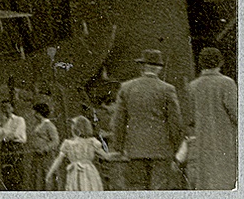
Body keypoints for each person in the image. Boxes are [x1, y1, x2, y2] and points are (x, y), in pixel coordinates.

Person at [110, 48, 184, 189]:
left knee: (137, 187)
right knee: (159, 188)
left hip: (134, 149)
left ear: (142, 67)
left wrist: (118, 147)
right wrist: (176, 147)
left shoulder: (126, 88)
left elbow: (118, 121)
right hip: (162, 150)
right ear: (158, 69)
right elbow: (175, 122)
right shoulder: (168, 89)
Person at [185, 45, 237, 190]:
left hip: (202, 142)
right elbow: (236, 114)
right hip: (225, 141)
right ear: (220, 62)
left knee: (205, 182)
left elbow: (190, 118)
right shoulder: (227, 83)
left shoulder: (192, 86)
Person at [46, 114, 107, 190]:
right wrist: (50, 173)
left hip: (88, 173)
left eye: (73, 125)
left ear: (78, 128)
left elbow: (105, 155)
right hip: (75, 173)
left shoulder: (92, 142)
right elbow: (59, 159)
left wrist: (50, 173)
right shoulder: (68, 143)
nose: (72, 128)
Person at [25, 101, 59, 191]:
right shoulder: (38, 125)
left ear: (39, 113)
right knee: (37, 178)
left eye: (35, 112)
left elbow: (55, 141)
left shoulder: (49, 125)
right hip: (37, 156)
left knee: (46, 177)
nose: (34, 114)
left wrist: (44, 149)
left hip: (46, 157)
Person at [0, 97, 27, 189]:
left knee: (16, 173)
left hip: (16, 147)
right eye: (3, 108)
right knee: (6, 173)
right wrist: (3, 126)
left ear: (12, 108)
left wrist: (5, 134)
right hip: (5, 147)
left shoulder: (19, 120)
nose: (6, 110)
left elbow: (16, 134)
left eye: (8, 107)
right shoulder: (1, 122)